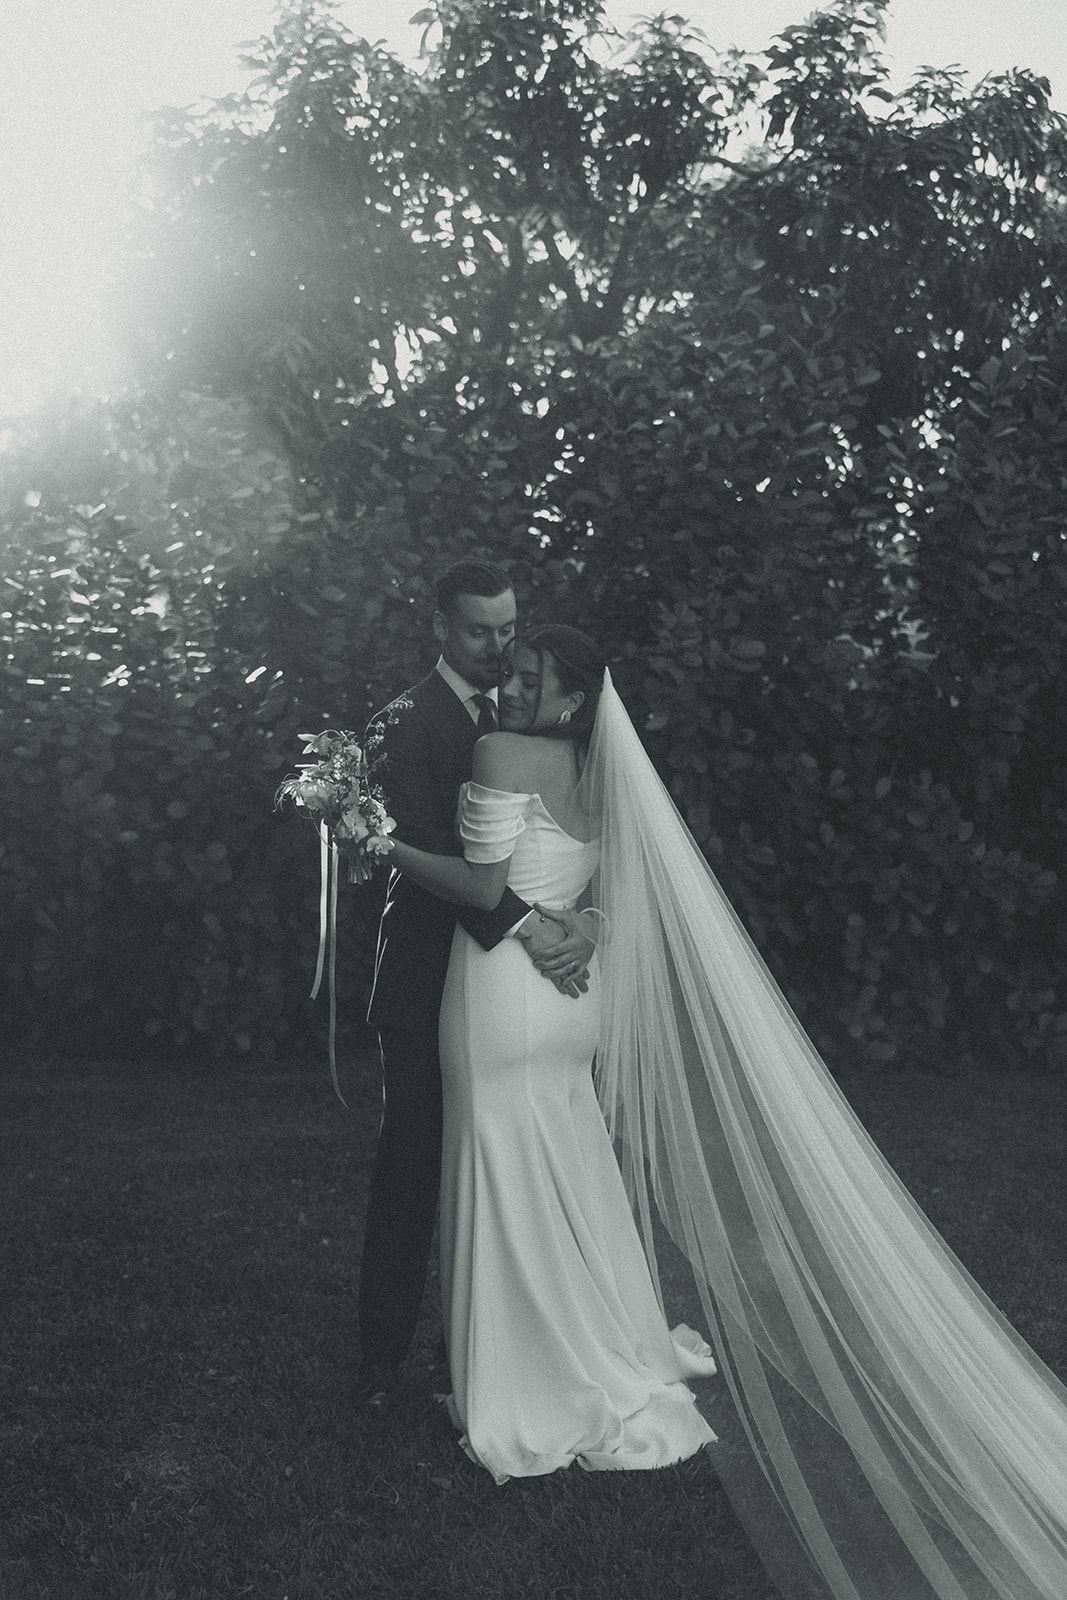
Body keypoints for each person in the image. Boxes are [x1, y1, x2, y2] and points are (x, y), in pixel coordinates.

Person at [361, 623, 1067, 1598]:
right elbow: (606, 892)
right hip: (574, 1000)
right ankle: (597, 1341)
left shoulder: (496, 751)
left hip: (498, 994)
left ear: (571, 699)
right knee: (566, 1160)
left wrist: (381, 838)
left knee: (498, 1162)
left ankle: (527, 1376)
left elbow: (483, 887)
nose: (511, 687)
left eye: (532, 678)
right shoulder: (604, 771)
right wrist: (585, 924)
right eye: (512, 673)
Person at [355, 562, 594, 1411]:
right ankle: (379, 1361)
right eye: (478, 632)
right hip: (429, 981)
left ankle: (500, 1344)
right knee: (414, 1168)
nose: (497, 648)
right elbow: (438, 866)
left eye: (507, 630)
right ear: (439, 629)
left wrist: (586, 922)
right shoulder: (404, 725)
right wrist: (544, 926)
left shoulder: (531, 716)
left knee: (506, 1163)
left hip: (502, 991)